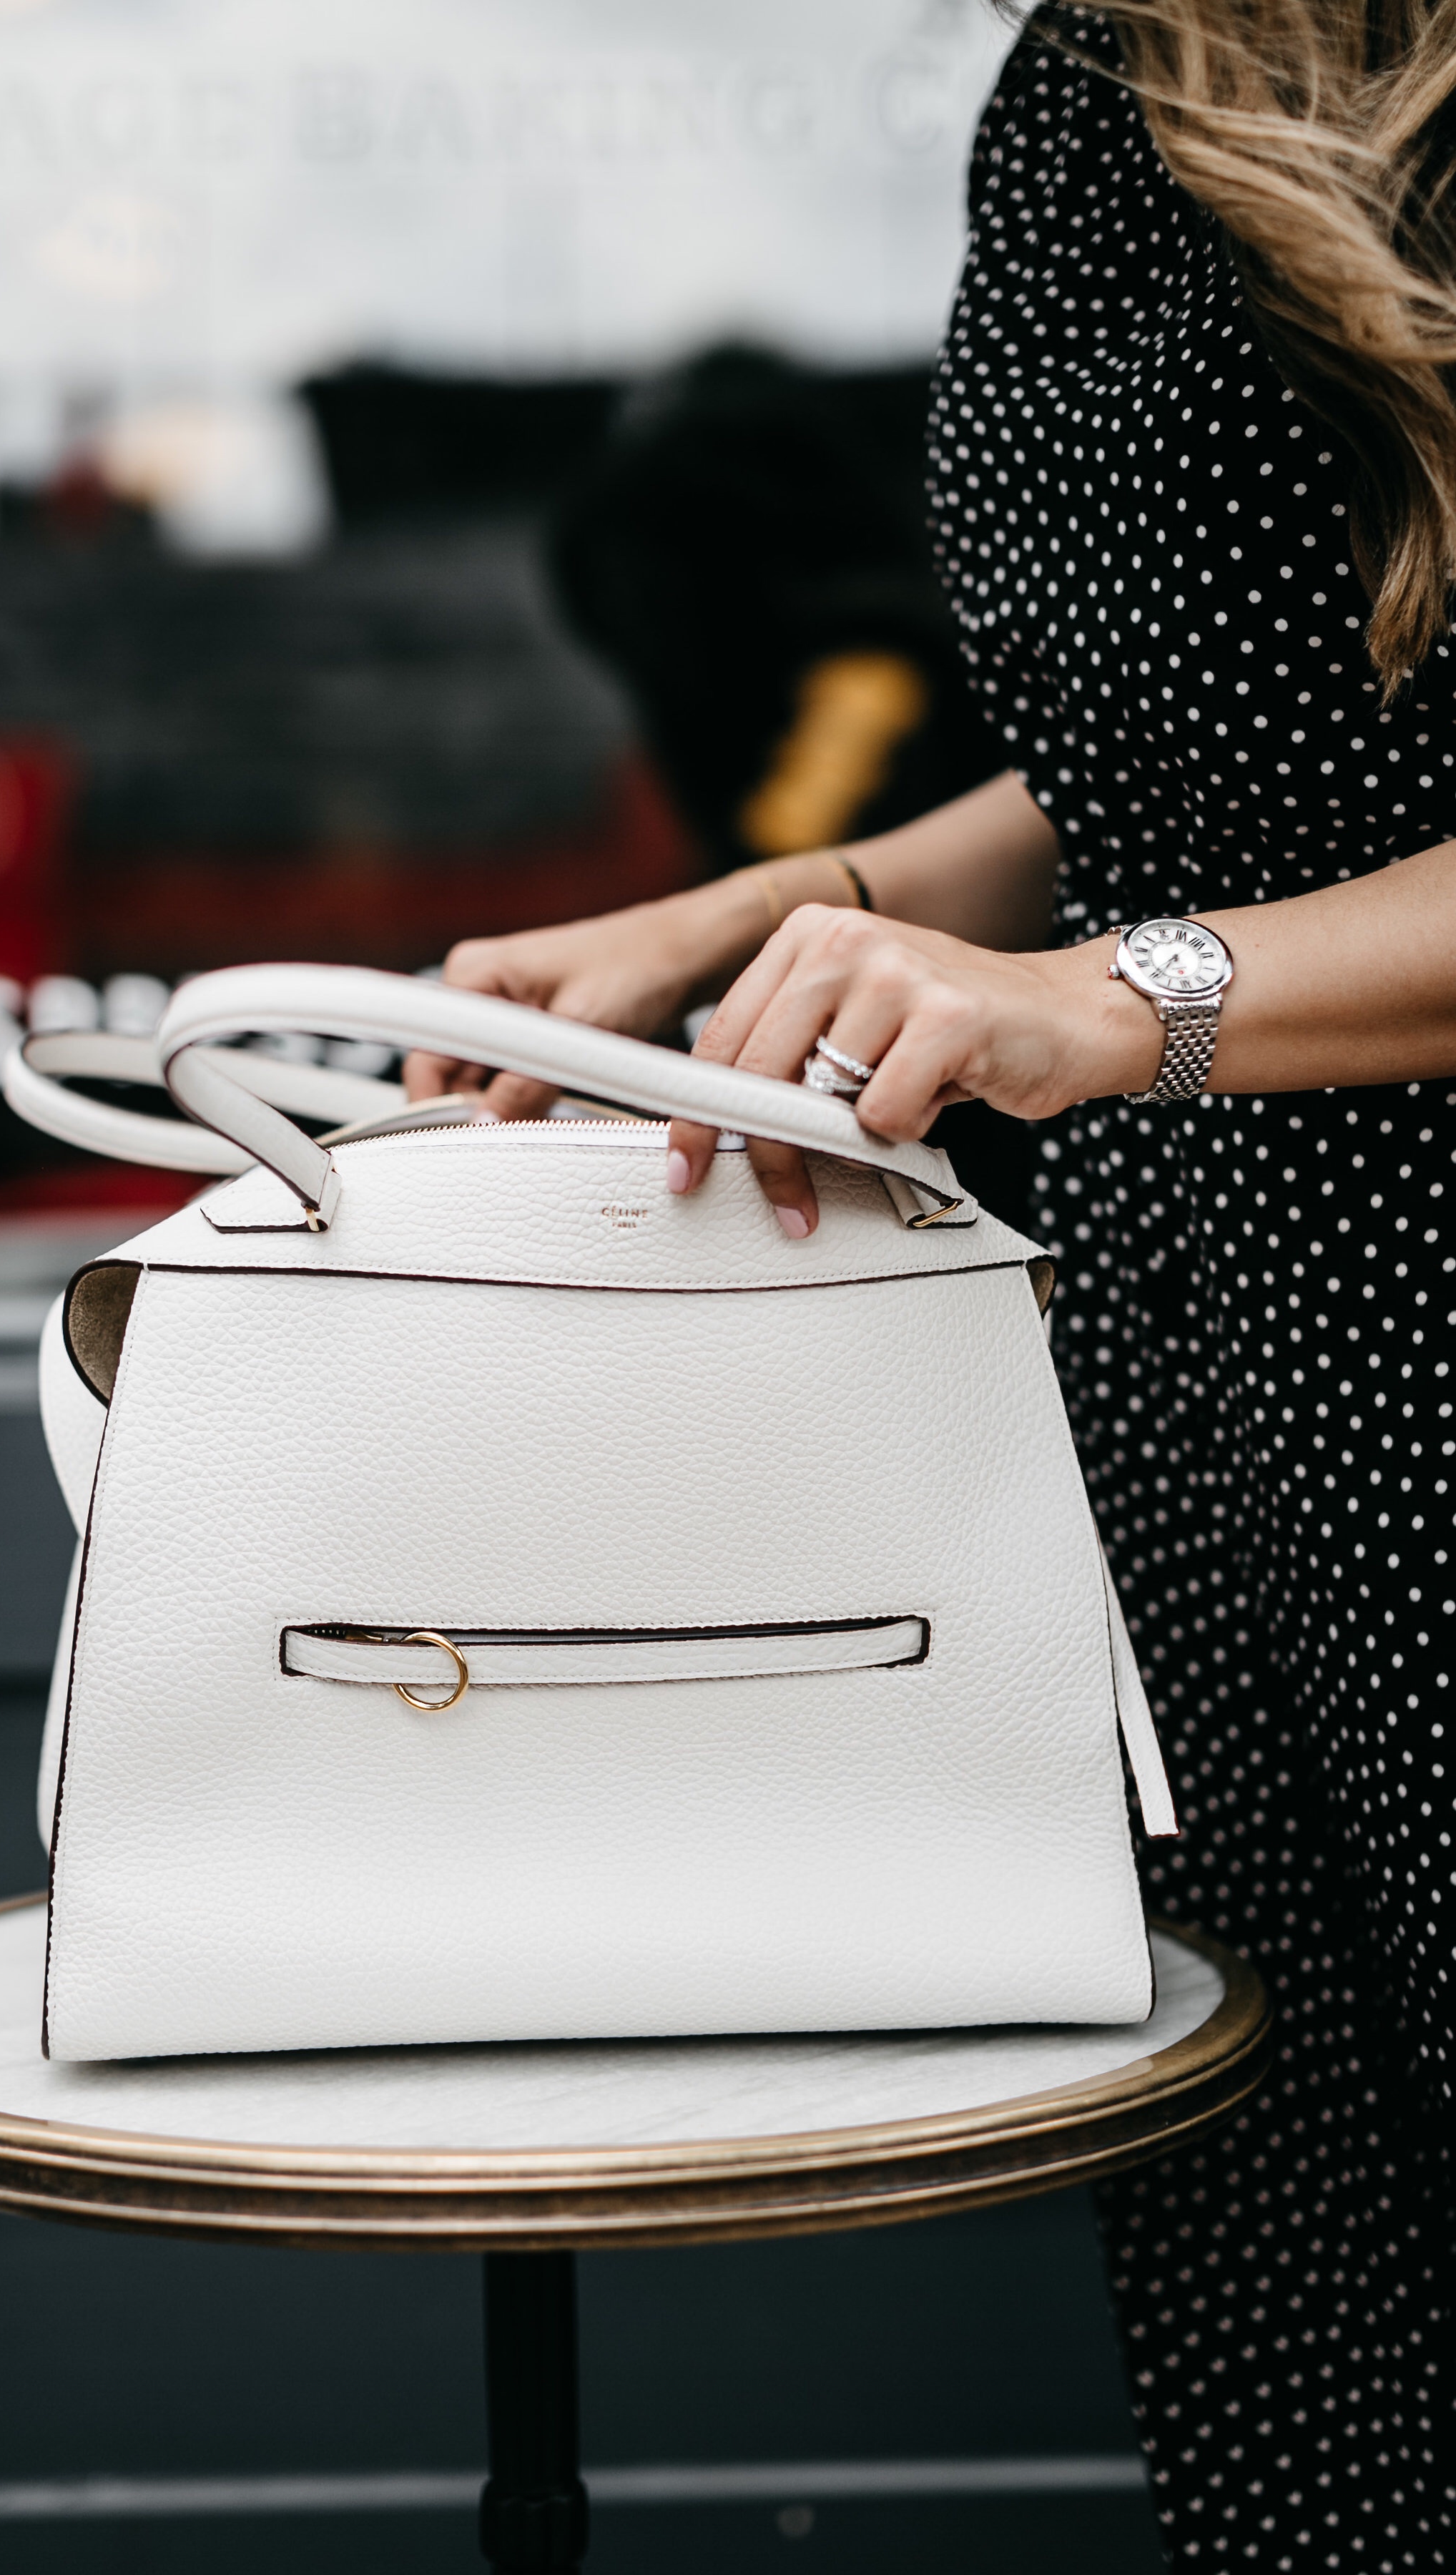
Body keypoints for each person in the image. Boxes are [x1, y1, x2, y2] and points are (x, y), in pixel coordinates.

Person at [405, 4, 1456, 2564]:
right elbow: (1180, 735)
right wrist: (765, 917)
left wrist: (1112, 1001)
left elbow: (1170, 905)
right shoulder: (1090, 86)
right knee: (1302, 2296)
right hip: (1190, 1366)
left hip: (1416, 1340)